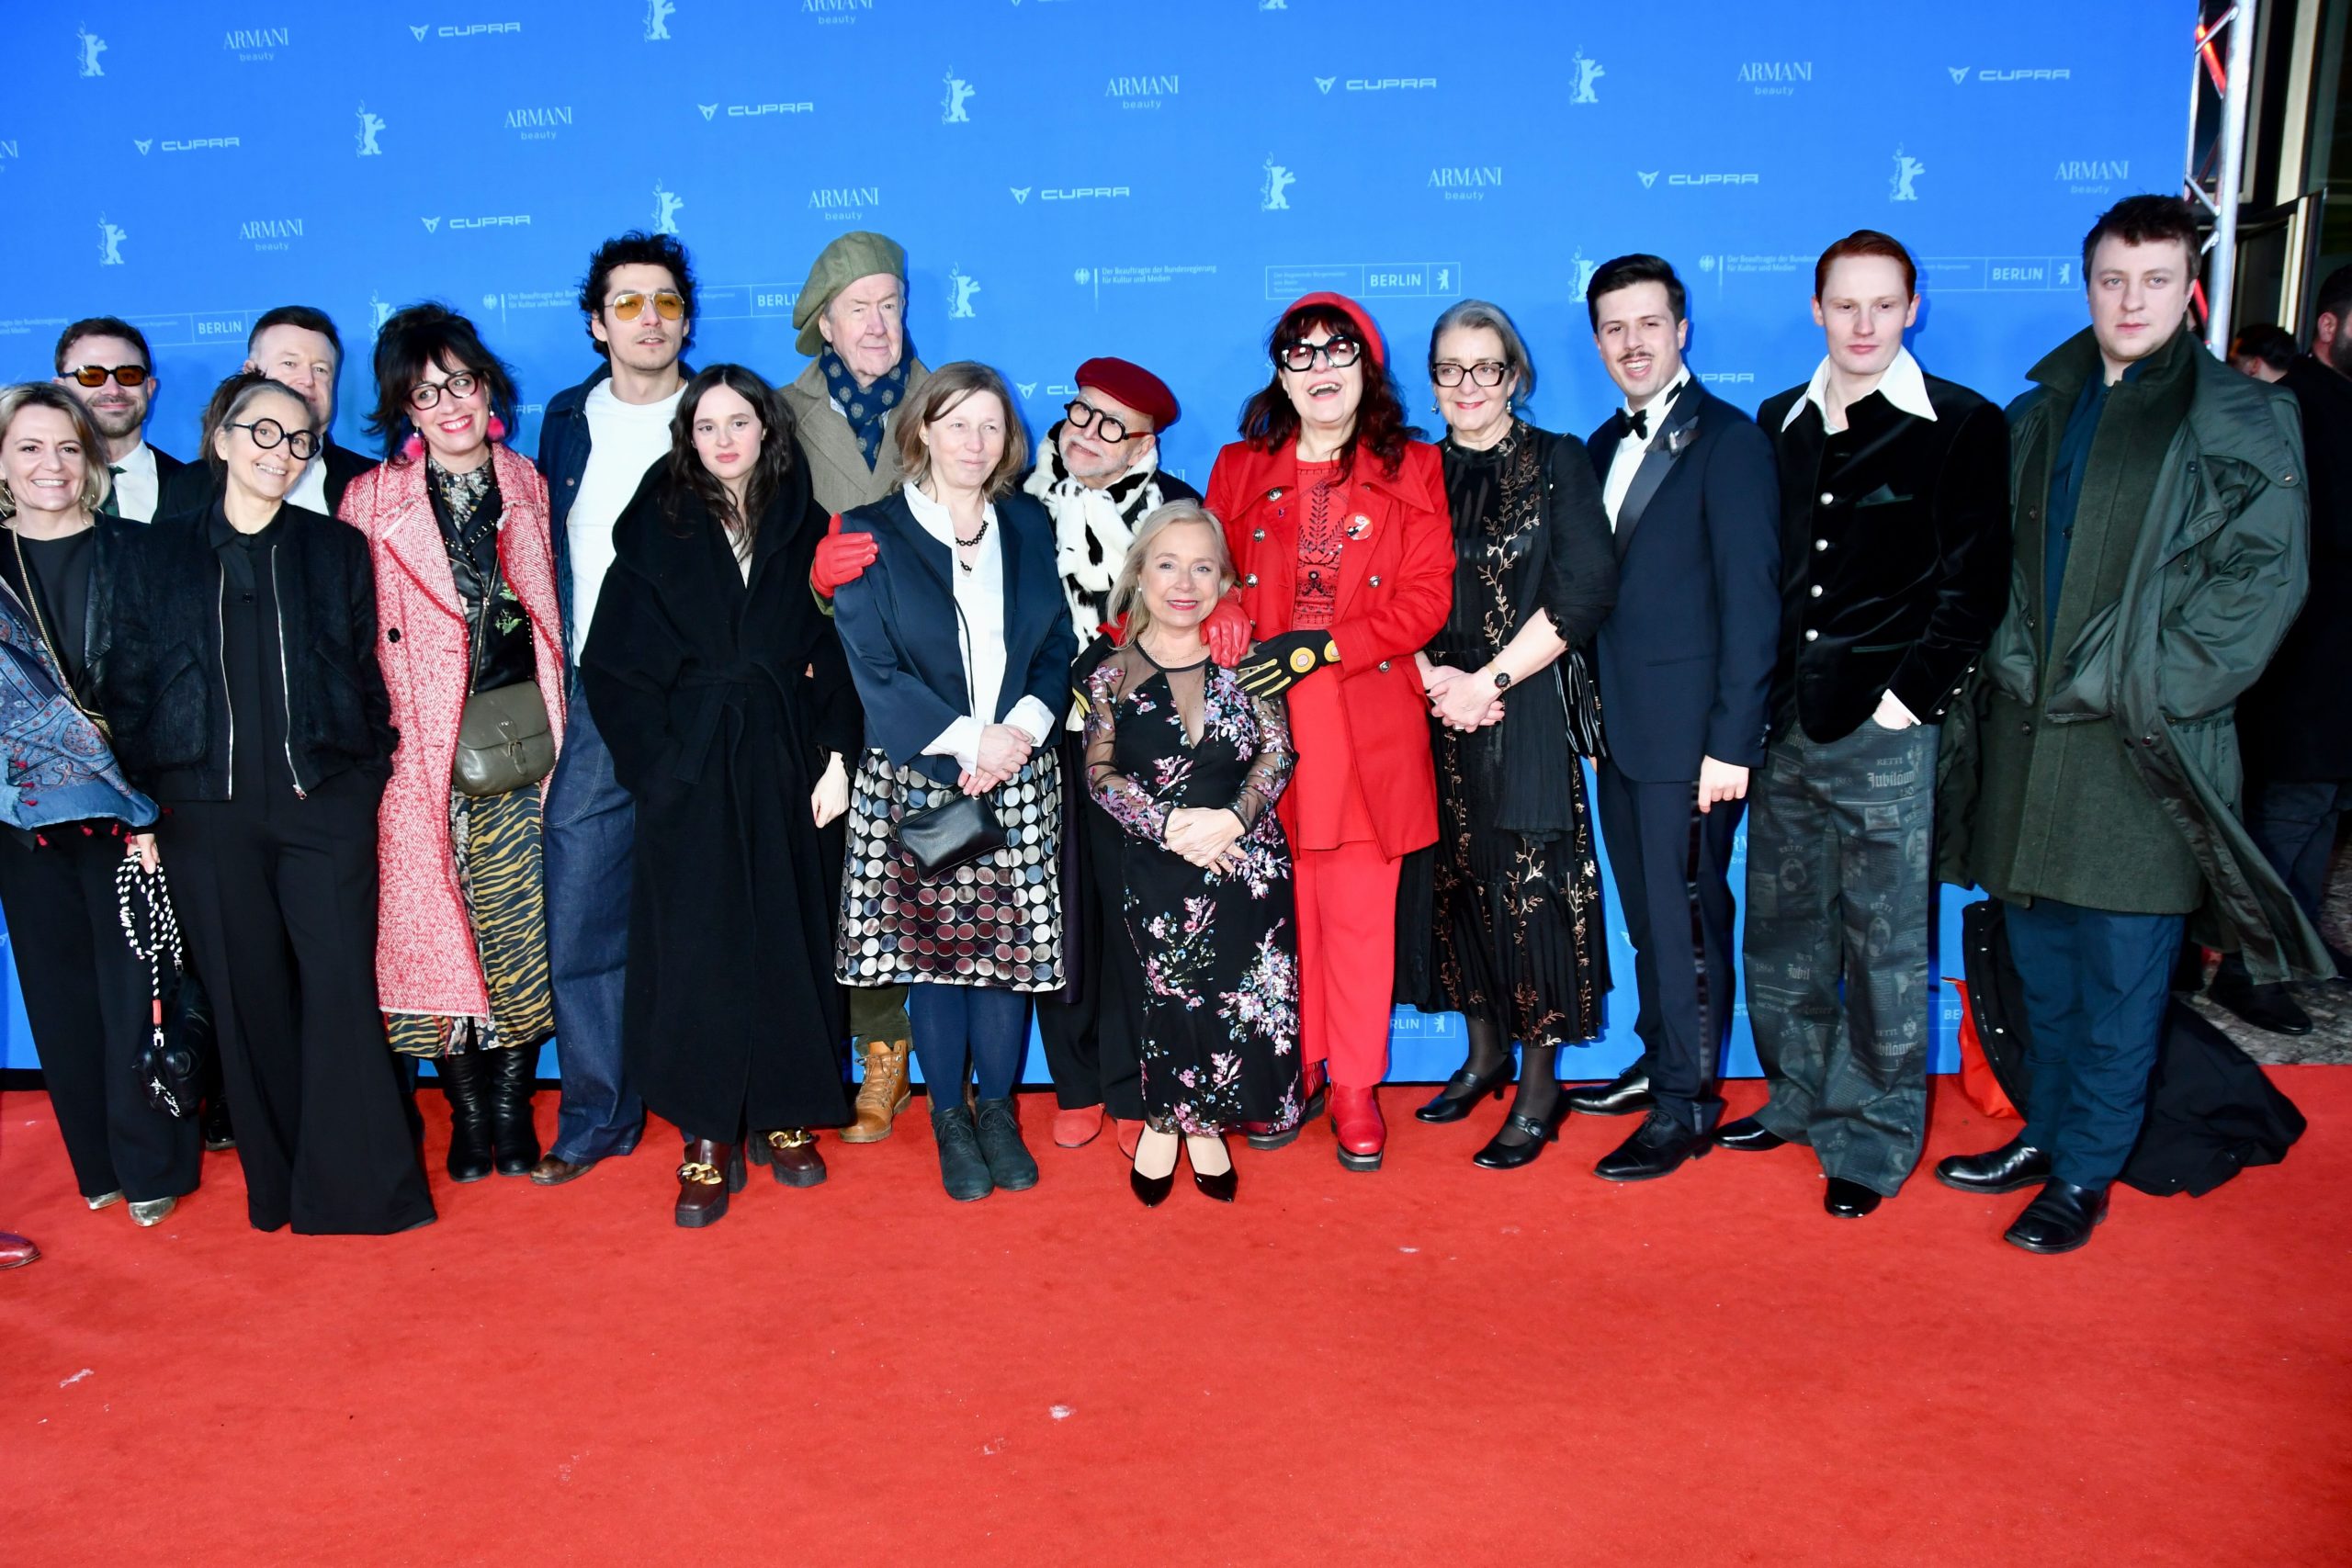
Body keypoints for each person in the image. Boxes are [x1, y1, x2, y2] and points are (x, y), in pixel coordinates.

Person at [1936, 196, 2323, 1254]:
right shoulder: (2039, 411)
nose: (2130, 300)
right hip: (2029, 743)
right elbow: (1995, 565)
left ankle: (2085, 1174)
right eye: (2112, 279)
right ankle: (2049, 1134)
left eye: (2154, 280)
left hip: (2143, 751)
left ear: (2189, 290)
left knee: (2121, 980)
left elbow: (2261, 584)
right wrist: (2001, 660)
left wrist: (2140, 684)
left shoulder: (2241, 417)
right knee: (2042, 971)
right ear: (2088, 286)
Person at [107, 371, 431, 1235]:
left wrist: (363, 776)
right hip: (202, 814)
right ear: (220, 438)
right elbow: (128, 688)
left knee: (340, 990)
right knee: (248, 1001)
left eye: (299, 440)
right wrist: (145, 805)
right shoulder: (155, 554)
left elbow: (363, 675)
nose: (281, 453)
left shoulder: (334, 548)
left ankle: (365, 1192)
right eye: (262, 432)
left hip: (322, 804)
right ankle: (279, 1185)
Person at [1730, 232, 2009, 1217]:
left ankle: (1872, 1138)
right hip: (1784, 729)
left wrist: (1903, 703)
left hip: (1887, 732)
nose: (1862, 324)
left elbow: (1974, 590)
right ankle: (1797, 1099)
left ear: (1912, 309)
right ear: (1816, 308)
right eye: (1844, 304)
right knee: (1783, 934)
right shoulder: (1778, 420)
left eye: (1883, 305)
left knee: (1883, 947)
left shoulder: (1961, 424)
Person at [582, 364, 856, 1225]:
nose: (725, 439)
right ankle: (705, 1130)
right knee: (698, 946)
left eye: (740, 422)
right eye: (707, 426)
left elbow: (839, 649)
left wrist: (837, 758)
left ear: (768, 428)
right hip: (692, 765)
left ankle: (782, 1110)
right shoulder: (655, 524)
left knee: (788, 934)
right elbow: (612, 664)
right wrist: (658, 770)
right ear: (688, 437)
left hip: (785, 757)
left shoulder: (806, 521)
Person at [1201, 290, 1454, 1173]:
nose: (1319, 368)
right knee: (1279, 914)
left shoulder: (1414, 466)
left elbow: (1426, 599)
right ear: (1281, 373)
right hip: (1264, 722)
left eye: (1337, 350)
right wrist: (1225, 610)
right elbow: (1209, 569)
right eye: (1300, 353)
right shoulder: (1238, 466)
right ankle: (1292, 1070)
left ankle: (1353, 1084)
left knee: (1356, 917)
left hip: (1362, 718)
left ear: (1366, 368)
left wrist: (1326, 645)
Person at [831, 362, 1074, 1201]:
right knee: (935, 957)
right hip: (920, 773)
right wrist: (970, 739)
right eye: (958, 423)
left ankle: (997, 1113)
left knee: (1005, 955)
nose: (976, 441)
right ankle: (948, 1119)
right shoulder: (871, 531)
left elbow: (1054, 643)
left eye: (992, 425)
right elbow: (872, 664)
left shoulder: (1028, 522)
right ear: (923, 431)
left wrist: (1021, 733)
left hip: (1017, 770)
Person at [338, 305, 566, 1187]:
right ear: (403, 408)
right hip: (419, 757)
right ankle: (468, 1112)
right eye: (425, 393)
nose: (449, 404)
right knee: (436, 931)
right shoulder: (371, 501)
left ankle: (511, 1106)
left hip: (521, 749)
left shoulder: (531, 486)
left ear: (487, 387)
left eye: (460, 382)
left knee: (519, 931)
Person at [1566, 254, 1781, 1182]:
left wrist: (1731, 742)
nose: (1632, 342)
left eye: (1648, 323)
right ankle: (1662, 1059)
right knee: (1652, 918)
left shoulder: (1729, 442)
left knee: (1687, 917)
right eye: (1614, 327)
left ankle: (1686, 1103)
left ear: (1682, 330)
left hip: (1694, 742)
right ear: (1597, 342)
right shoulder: (1595, 446)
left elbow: (1753, 603)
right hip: (1621, 737)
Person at [1407, 301, 1619, 1169]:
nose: (1468, 385)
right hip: (1431, 710)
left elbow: (1585, 589)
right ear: (1432, 381)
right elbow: (1379, 585)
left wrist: (1486, 682)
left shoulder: (1556, 459)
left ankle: (1538, 1089)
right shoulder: (1412, 469)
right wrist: (1433, 680)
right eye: (1450, 369)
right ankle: (1483, 1053)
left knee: (1534, 894)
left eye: (1486, 367)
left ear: (1514, 376)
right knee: (1456, 886)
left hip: (1522, 706)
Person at [0, 383, 198, 1225]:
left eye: (67, 447)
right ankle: (98, 1163)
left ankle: (151, 1163)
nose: (51, 464)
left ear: (92, 460)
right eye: (29, 447)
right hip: (21, 815)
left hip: (131, 810)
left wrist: (151, 808)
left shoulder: (141, 551)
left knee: (141, 993)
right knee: (57, 994)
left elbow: (180, 684)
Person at [529, 231, 695, 1186]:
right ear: (598, 324)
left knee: (715, 899)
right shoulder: (565, 418)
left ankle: (727, 1100)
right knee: (584, 903)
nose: (648, 319)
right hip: (600, 693)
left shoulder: (723, 411)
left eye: (665, 301)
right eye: (627, 303)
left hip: (706, 697)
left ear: (685, 319)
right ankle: (598, 1111)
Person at [1085, 501, 1299, 1204]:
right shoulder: (1110, 673)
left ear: (1224, 581)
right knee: (1168, 999)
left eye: (1203, 568)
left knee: (1229, 1002)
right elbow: (1100, 773)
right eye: (1168, 565)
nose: (1185, 583)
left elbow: (1278, 752)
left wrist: (1232, 820)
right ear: (1139, 576)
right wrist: (1170, 823)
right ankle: (1161, 1121)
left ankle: (1204, 1124)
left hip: (1245, 860)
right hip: (1157, 859)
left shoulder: (1252, 662)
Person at [1024, 359, 1202, 1154]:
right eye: (1081, 413)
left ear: (1143, 445)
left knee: (1135, 909)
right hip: (1039, 731)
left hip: (1139, 741)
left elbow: (1202, 608)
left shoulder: (1176, 512)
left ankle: (1137, 1083)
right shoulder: (1018, 504)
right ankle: (1076, 1081)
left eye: (1112, 426)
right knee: (1057, 907)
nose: (1088, 434)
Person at [791, 231, 932, 1143]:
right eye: (858, 308)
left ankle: (932, 1055)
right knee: (843, 865)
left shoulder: (952, 396)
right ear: (824, 323)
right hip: (826, 673)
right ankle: (864, 1047)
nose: (878, 323)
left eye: (890, 303)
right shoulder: (776, 411)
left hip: (937, 675)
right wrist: (811, 579)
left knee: (933, 864)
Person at [2209, 264, 2352, 1032]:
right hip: (2297, 659)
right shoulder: (2286, 408)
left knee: (2322, 808)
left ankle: (2299, 948)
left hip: (2335, 658)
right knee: (2286, 813)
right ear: (2328, 325)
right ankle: (2247, 967)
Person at [158, 307, 379, 520]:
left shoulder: (373, 483)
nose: (307, 380)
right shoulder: (190, 488)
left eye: (320, 369)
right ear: (250, 373)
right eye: (290, 363)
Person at [51, 317, 185, 522]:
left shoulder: (197, 487)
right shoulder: (34, 487)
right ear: (61, 389)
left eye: (129, 375)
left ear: (149, 388)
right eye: (91, 376)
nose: (113, 390)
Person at [2226, 323, 2297, 383]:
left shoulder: (2257, 395)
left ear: (2255, 364)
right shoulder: (2296, 391)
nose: (2228, 368)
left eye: (2233, 362)